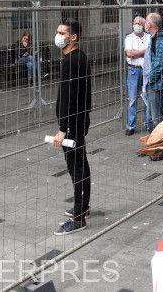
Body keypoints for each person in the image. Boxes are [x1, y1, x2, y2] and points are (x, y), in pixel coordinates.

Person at [52, 19, 92, 235]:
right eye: (58, 31)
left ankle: (78, 219)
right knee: (81, 166)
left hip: (73, 124)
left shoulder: (71, 61)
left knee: (76, 169)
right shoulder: (79, 57)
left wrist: (63, 128)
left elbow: (68, 97)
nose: (58, 35)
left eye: (62, 32)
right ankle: (83, 207)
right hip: (79, 120)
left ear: (73, 37)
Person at [144, 12, 163, 134]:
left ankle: (161, 150)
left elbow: (159, 63)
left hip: (158, 84)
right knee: (152, 117)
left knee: (157, 119)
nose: (144, 24)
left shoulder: (161, 39)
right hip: (155, 83)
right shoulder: (155, 38)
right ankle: (155, 148)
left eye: (146, 22)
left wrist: (150, 79)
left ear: (150, 24)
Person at [124, 16, 150, 136]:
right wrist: (144, 51)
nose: (138, 25)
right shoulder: (129, 38)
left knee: (146, 97)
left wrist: (136, 53)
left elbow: (150, 52)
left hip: (146, 70)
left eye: (140, 23)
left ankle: (148, 123)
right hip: (133, 70)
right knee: (132, 99)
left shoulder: (149, 37)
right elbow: (129, 54)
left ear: (144, 25)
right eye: (135, 23)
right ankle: (131, 125)